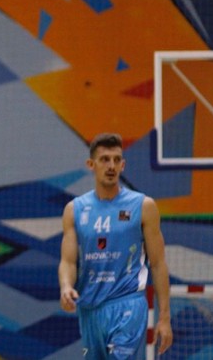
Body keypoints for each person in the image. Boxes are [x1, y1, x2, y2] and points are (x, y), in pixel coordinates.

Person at [58, 132, 173, 359]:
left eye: (116, 159)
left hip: (127, 304)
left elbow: (158, 264)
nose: (111, 166)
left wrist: (164, 318)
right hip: (90, 309)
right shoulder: (74, 210)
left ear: (123, 165)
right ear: (91, 165)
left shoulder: (143, 206)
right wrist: (65, 287)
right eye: (104, 159)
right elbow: (68, 261)